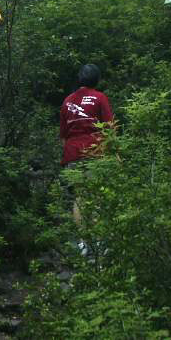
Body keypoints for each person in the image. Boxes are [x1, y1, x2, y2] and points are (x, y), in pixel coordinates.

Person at [59, 64, 114, 242]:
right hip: (94, 151)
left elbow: (63, 135)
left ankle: (83, 243)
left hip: (72, 153)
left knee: (79, 197)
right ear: (97, 79)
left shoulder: (67, 100)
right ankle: (98, 243)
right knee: (96, 196)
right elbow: (110, 128)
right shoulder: (99, 98)